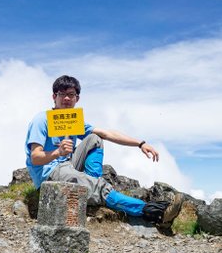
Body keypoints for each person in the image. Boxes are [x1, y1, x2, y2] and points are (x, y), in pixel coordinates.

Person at [25, 75, 183, 228]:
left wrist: (140, 143)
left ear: (77, 99)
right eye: (62, 94)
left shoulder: (72, 121)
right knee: (101, 187)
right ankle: (155, 213)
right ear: (54, 96)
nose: (66, 98)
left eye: (71, 94)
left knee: (95, 138)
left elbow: (107, 134)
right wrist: (57, 152)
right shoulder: (42, 120)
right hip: (49, 173)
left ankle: (91, 186)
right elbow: (35, 158)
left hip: (68, 165)